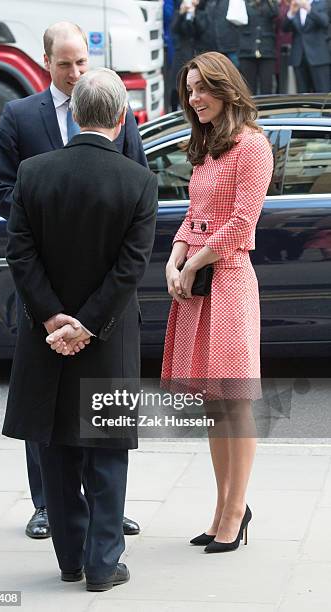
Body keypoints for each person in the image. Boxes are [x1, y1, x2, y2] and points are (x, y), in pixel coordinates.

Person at [0, 21, 144, 540]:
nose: (76, 73)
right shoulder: (19, 115)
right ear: (45, 61)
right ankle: (48, 506)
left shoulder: (115, 109)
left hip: (105, 292)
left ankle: (104, 511)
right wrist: (43, 220)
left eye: (82, 63)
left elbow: (136, 187)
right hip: (45, 287)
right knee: (45, 404)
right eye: (65, 64)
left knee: (103, 406)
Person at [2, 67, 158, 590]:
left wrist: (52, 318)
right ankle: (102, 564)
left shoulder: (32, 173)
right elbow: (129, 268)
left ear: (72, 113)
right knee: (106, 453)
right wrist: (87, 325)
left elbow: (20, 256)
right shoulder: (138, 180)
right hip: (107, 337)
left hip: (44, 337)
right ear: (121, 117)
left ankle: (70, 561)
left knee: (56, 448)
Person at [161, 52, 273, 553]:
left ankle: (235, 511)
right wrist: (175, 255)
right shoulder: (207, 146)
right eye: (188, 91)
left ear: (225, 88)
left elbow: (241, 223)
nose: (193, 99)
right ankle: (222, 507)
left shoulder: (253, 145)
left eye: (201, 89)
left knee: (234, 403)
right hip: (198, 284)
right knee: (212, 404)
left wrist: (194, 262)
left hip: (227, 283)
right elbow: (195, 212)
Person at [282, 0, 330, 92]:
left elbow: (324, 22)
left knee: (323, 92)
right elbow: (284, 28)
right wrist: (291, 13)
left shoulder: (321, 3)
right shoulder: (295, 6)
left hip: (319, 57)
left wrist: (308, 8)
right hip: (299, 57)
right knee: (302, 93)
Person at [170, 0, 207, 110]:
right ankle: (174, 109)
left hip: (195, 54)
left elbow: (201, 29)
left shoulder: (202, 14)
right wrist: (181, 13)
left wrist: (193, 14)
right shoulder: (179, 13)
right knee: (176, 84)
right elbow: (174, 28)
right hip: (181, 54)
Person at [239, 0, 279, 95]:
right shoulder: (242, 2)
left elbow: (275, 12)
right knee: (248, 89)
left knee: (267, 87)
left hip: (267, 50)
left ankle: (267, 109)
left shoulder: (269, 3)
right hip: (247, 50)